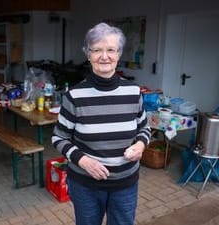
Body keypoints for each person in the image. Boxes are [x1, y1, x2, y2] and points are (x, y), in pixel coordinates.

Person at [51, 22, 151, 225]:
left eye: (111, 50)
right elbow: (59, 137)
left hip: (125, 184)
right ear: (88, 55)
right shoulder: (74, 96)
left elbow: (144, 127)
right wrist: (83, 161)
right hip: (86, 185)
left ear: (119, 54)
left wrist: (140, 145)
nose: (104, 56)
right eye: (97, 50)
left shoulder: (133, 92)